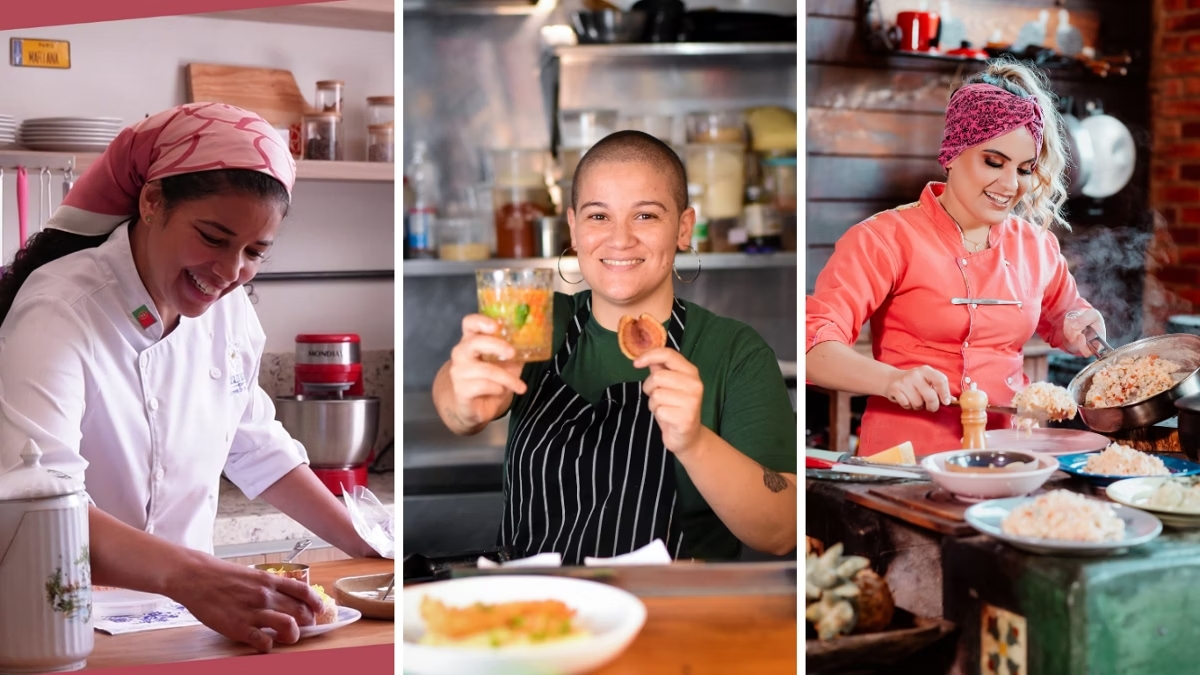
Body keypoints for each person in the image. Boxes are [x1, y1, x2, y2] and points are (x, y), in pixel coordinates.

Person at [0, 103, 378, 652]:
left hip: (188, 619)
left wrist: (367, 542)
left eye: (254, 252)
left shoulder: (227, 310)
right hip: (62, 620)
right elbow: (41, 504)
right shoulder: (60, 310)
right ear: (152, 202)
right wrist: (196, 578)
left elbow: (255, 447)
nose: (229, 273)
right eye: (212, 237)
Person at [432, 130, 797, 563]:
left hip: (672, 619)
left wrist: (695, 442)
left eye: (645, 216)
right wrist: (466, 405)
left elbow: (782, 531)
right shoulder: (538, 318)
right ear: (573, 226)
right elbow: (456, 404)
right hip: (535, 615)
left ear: (683, 228)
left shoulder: (734, 351)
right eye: (598, 216)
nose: (620, 239)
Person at [805, 60, 1106, 457]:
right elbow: (813, 348)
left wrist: (1079, 326)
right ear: (953, 152)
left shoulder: (1036, 246)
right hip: (906, 461)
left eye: (1025, 169)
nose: (1010, 185)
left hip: (1009, 458)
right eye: (993, 162)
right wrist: (891, 380)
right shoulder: (883, 238)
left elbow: (1066, 317)